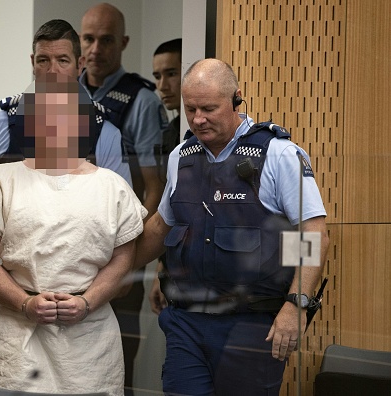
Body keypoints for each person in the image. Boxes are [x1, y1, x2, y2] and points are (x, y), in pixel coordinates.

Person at [134, 58, 330, 395]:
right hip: (187, 322)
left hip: (250, 325)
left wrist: (295, 305)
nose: (198, 119)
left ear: (237, 98)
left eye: (209, 108)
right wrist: (107, 272)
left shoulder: (279, 155)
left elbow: (312, 233)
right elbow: (160, 227)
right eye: (190, 108)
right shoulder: (182, 156)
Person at [0, 72, 147, 396]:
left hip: (91, 343)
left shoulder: (111, 186)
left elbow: (123, 259)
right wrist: (26, 303)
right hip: (17, 338)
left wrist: (86, 302)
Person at [0, 19, 131, 324]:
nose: (52, 71)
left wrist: (90, 300)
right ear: (32, 64)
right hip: (6, 290)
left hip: (82, 299)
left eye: (62, 61)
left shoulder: (106, 133)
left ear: (79, 64)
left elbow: (120, 231)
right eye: (43, 60)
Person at [79, 5, 167, 392]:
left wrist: (128, 259)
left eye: (107, 39)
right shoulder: (62, 92)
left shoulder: (142, 100)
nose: (95, 48)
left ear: (124, 43)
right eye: (88, 38)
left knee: (115, 355)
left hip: (118, 246)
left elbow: (154, 188)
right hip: (69, 245)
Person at [150, 38, 183, 315]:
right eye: (158, 76)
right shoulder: (170, 134)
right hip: (173, 265)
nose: (162, 85)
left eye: (171, 74)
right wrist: (160, 269)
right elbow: (168, 212)